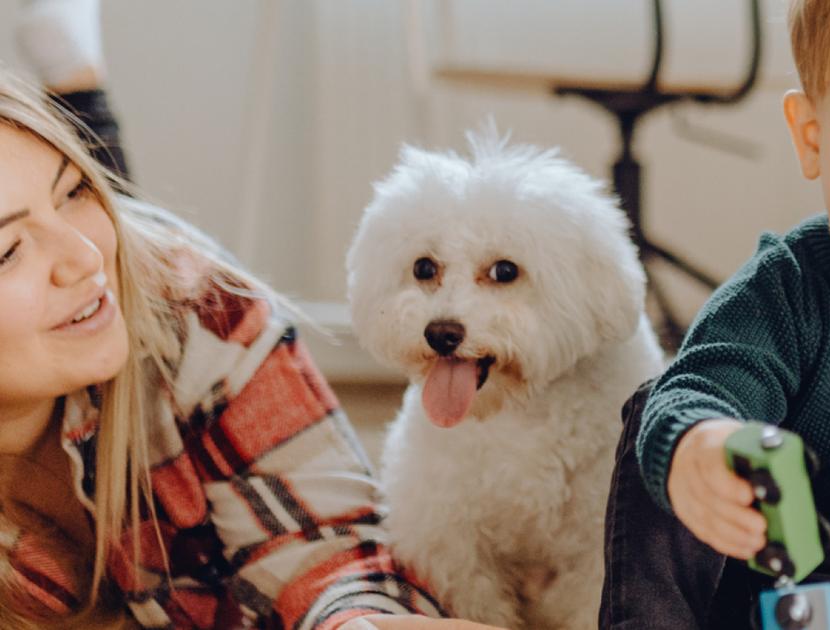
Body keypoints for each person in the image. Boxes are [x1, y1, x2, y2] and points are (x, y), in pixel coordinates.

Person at [1, 2, 509, 629]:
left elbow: (321, 550)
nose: (85, 257)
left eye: (75, 191)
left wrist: (361, 625)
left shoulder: (194, 304)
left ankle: (74, 81)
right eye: (7, 251)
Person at [599, 0, 830, 628]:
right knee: (667, 424)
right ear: (811, 139)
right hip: (787, 577)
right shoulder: (786, 289)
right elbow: (701, 389)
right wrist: (701, 448)